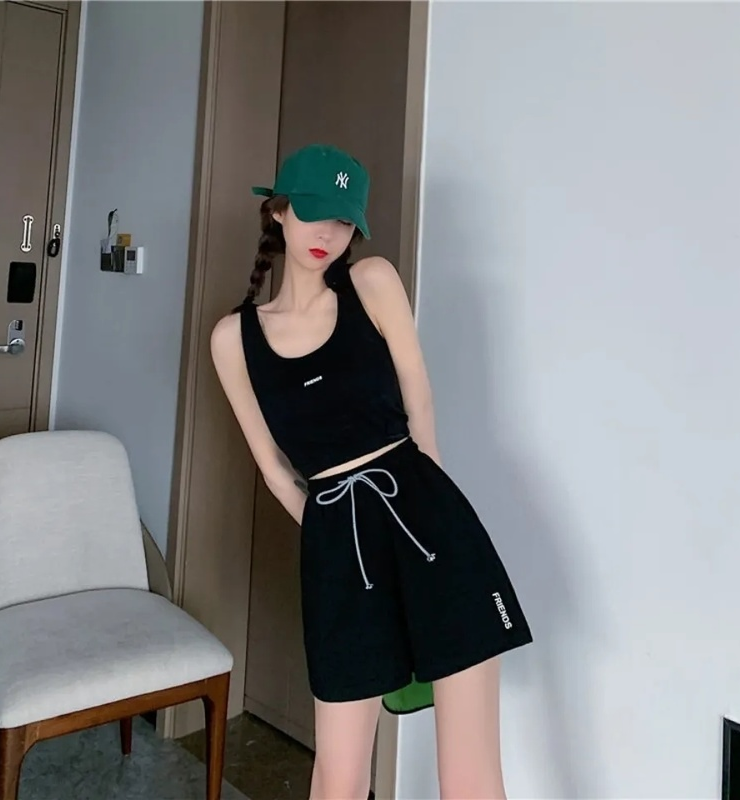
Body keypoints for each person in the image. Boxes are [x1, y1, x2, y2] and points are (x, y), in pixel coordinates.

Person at [210, 143, 533, 800]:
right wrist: (329, 532)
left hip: (428, 525)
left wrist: (430, 504)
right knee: (338, 778)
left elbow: (420, 397)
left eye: (343, 219)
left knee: (470, 778)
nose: (328, 233)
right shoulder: (233, 339)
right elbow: (274, 470)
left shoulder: (372, 281)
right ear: (278, 211)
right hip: (340, 553)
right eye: (313, 212)